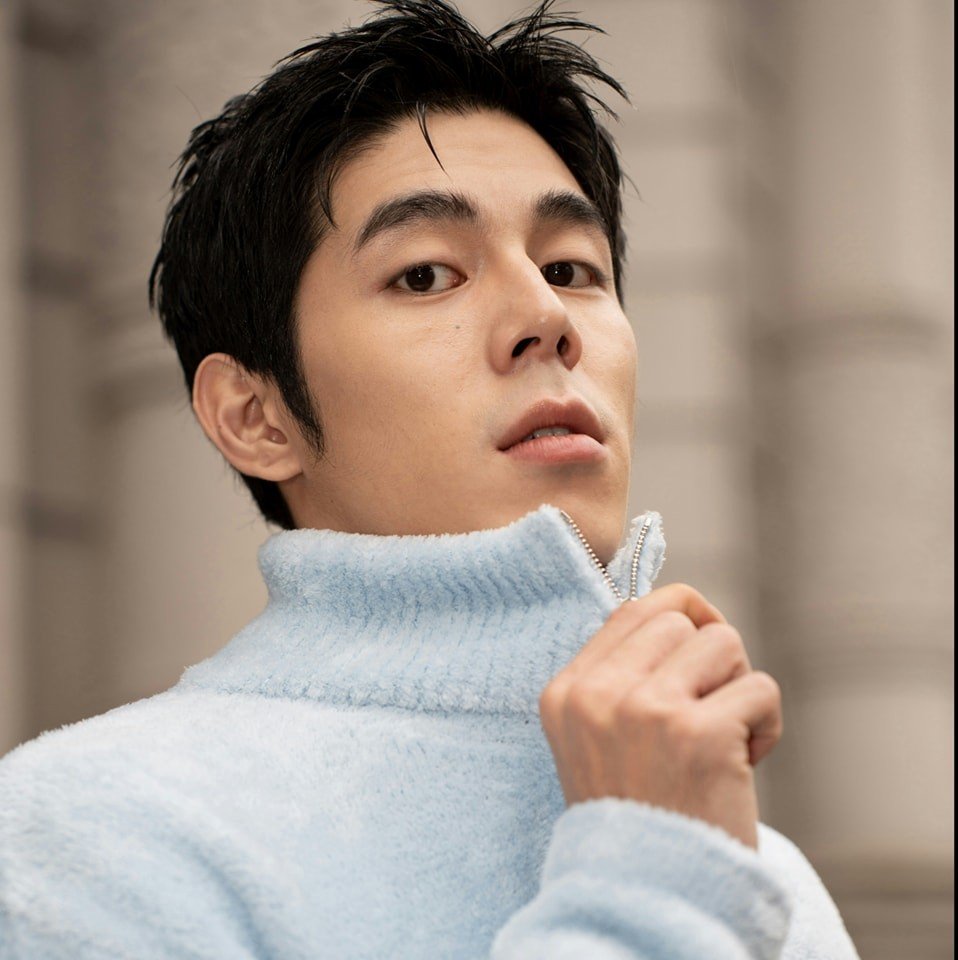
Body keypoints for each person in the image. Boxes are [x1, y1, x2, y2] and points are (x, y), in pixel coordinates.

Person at [0, 1, 861, 957]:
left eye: (571, 268)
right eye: (425, 276)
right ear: (255, 416)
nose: (546, 317)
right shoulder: (87, 835)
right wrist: (658, 892)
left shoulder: (757, 875)